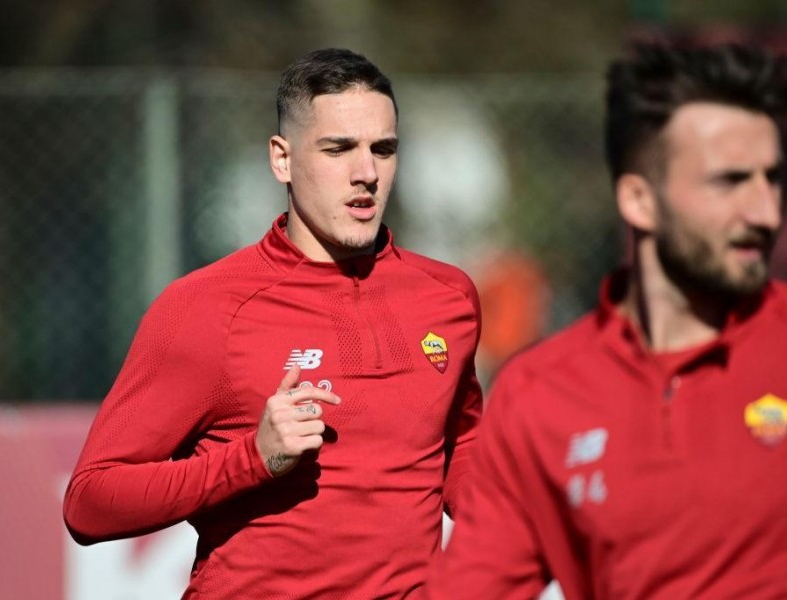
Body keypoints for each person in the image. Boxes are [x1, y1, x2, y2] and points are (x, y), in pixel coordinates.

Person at [63, 48, 483, 598]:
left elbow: (462, 445)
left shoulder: (447, 297)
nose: (366, 174)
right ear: (282, 159)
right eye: (338, 149)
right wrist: (250, 459)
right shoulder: (205, 308)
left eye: (383, 149)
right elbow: (90, 502)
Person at [424, 42, 787, 599]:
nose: (766, 212)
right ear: (639, 200)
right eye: (729, 182)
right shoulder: (540, 395)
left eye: (773, 178)